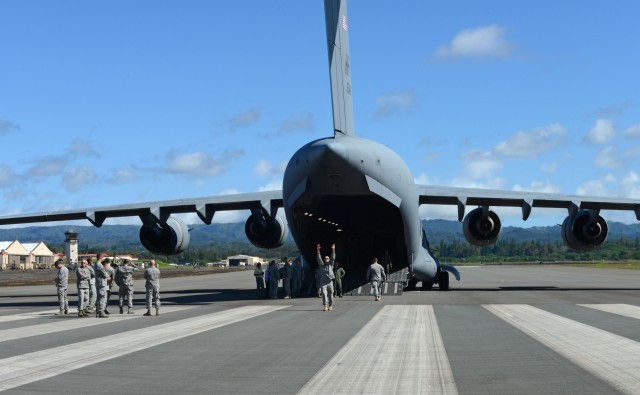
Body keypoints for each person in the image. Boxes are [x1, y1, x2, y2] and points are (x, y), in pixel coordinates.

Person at [316, 243, 336, 311]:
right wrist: (318, 250)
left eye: (327, 258)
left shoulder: (331, 265)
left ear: (329, 259)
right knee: (324, 294)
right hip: (323, 282)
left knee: (331, 294)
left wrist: (333, 250)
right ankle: (325, 305)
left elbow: (333, 258)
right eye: (325, 258)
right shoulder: (322, 265)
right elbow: (319, 259)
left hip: (330, 282)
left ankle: (330, 305)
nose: (326, 259)